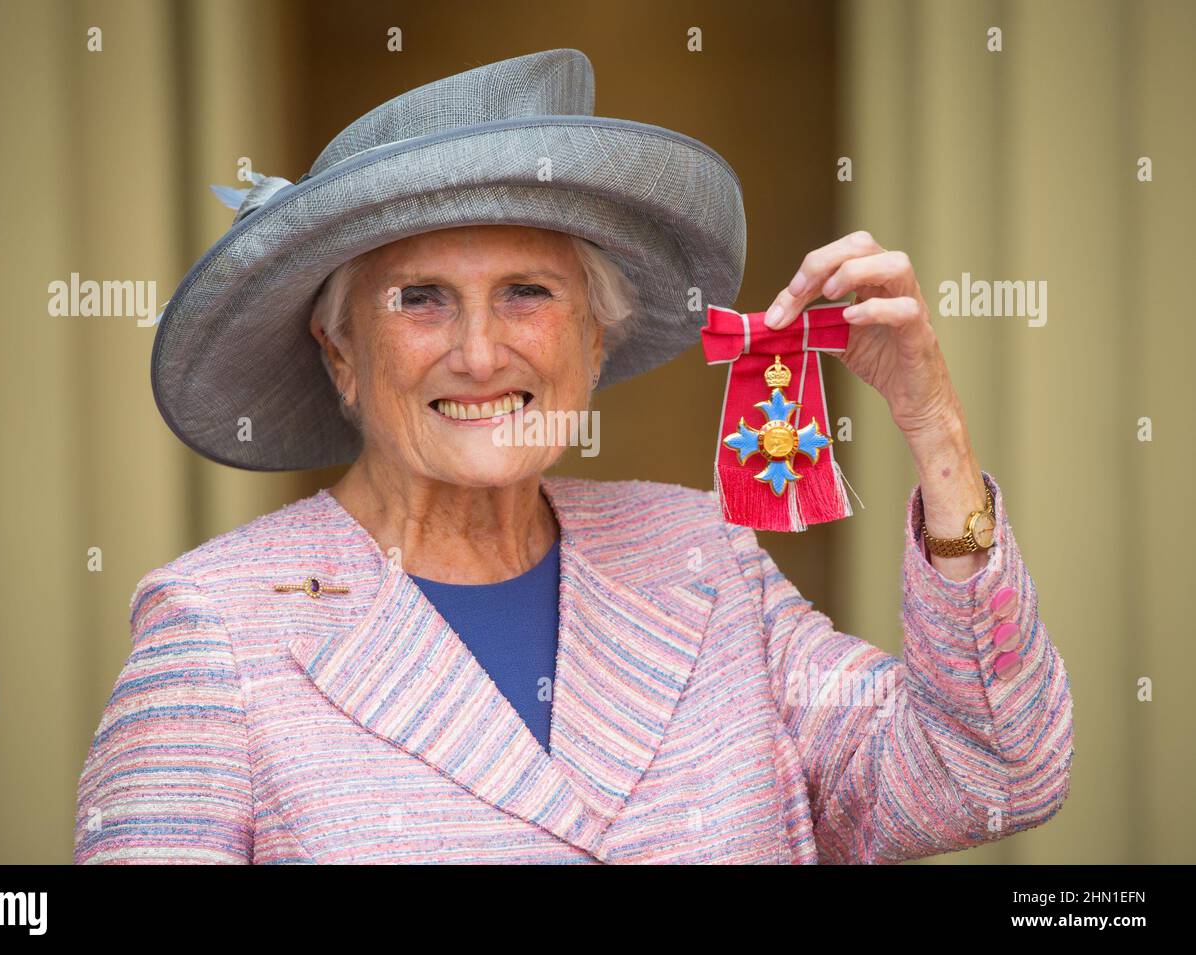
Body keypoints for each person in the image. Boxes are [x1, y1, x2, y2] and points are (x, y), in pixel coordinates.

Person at [74, 48, 1072, 864]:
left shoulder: (699, 556)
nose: (478, 353)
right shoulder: (216, 626)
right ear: (339, 349)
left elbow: (988, 776)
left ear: (593, 335)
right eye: (419, 297)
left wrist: (934, 431)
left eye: (526, 292)